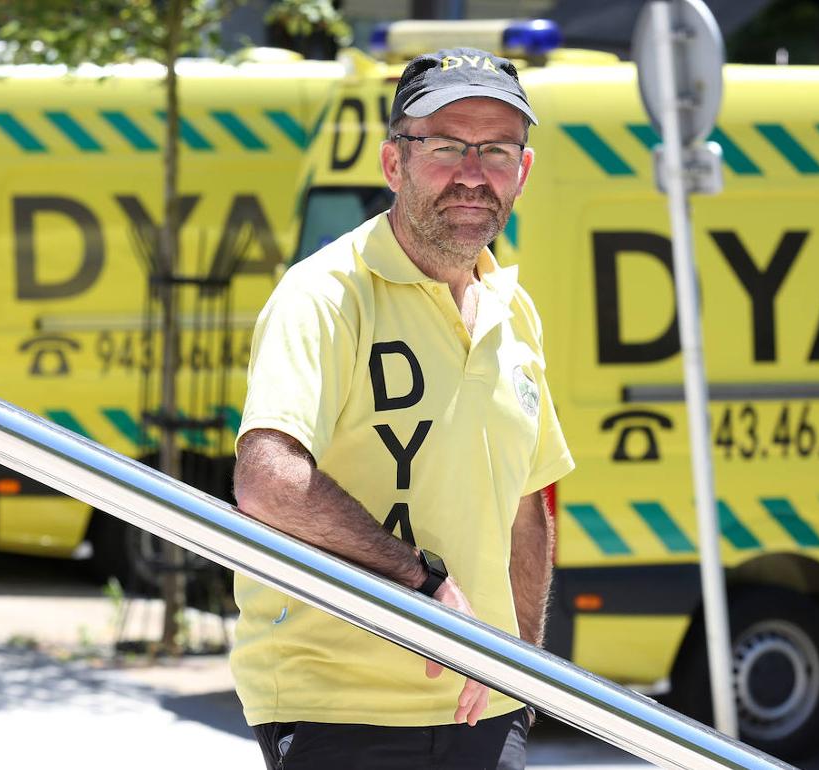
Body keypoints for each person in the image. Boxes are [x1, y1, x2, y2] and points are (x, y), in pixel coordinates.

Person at [230, 46, 575, 770]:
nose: (473, 174)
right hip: (339, 707)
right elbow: (268, 480)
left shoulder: (515, 311)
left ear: (523, 171)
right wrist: (424, 582)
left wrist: (524, 671)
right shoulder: (325, 295)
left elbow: (527, 506)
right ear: (395, 164)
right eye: (446, 147)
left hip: (486, 712)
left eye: (497, 151)